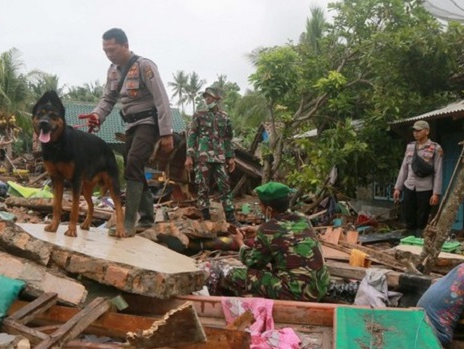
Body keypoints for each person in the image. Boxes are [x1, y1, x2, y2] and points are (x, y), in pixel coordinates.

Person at [79, 28, 174, 237]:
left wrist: (166, 133)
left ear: (125, 45)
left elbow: (162, 99)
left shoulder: (144, 66)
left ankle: (129, 222)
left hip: (149, 123)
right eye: (105, 51)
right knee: (135, 169)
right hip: (130, 125)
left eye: (112, 49)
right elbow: (108, 99)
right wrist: (97, 116)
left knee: (132, 163)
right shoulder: (112, 71)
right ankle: (148, 218)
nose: (109, 54)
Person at [222, 182, 330, 302]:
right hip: (320, 287)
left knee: (235, 275)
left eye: (261, 206)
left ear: (269, 209)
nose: (260, 209)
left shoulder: (267, 229)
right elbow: (286, 230)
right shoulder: (303, 218)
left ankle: (252, 303)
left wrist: (240, 243)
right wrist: (258, 230)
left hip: (297, 293)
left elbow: (253, 262)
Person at [184, 87, 239, 225]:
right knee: (202, 187)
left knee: (225, 186)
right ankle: (206, 217)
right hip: (203, 156)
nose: (207, 100)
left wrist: (230, 157)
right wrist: (189, 156)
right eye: (206, 97)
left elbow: (228, 138)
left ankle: (231, 219)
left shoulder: (224, 116)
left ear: (217, 99)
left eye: (210, 97)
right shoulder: (199, 114)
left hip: (219, 157)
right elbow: (192, 136)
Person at [393, 120, 443, 237]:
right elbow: (404, 168)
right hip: (409, 184)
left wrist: (436, 193)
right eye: (414, 130)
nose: (416, 133)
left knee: (423, 213)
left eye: (419, 130)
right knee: (408, 209)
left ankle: (420, 232)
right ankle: (409, 231)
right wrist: (398, 187)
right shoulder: (410, 147)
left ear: (427, 131)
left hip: (425, 186)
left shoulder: (435, 148)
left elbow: (438, 171)